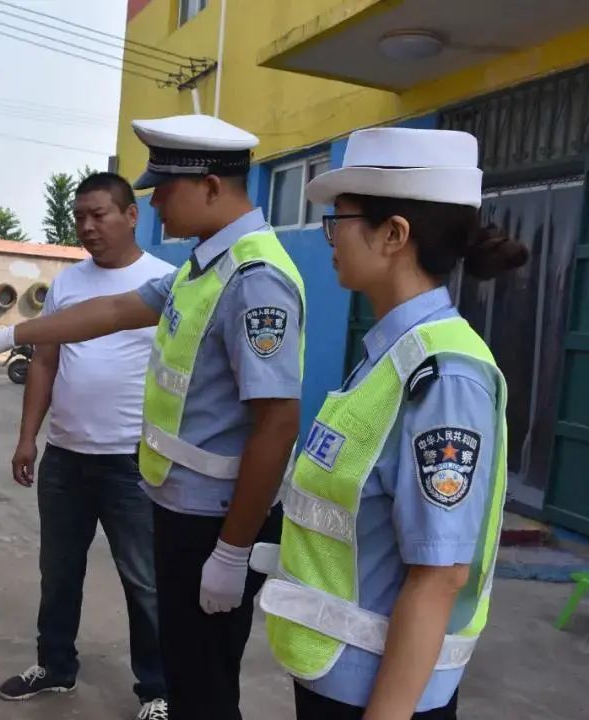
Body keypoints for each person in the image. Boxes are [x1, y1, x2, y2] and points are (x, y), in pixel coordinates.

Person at [0, 114, 305, 720]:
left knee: (204, 687)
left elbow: (276, 424)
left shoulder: (256, 278)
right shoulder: (203, 268)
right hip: (177, 503)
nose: (158, 207)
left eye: (164, 191)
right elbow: (112, 311)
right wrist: (2, 335)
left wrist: (232, 549)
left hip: (216, 520)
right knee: (188, 666)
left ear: (211, 187)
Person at [256, 127, 528, 720]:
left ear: (393, 235)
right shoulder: (391, 352)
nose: (330, 238)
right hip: (337, 671)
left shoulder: (444, 374)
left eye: (340, 221)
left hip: (378, 694)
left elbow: (440, 577)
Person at [0, 172, 174, 720]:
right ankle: (55, 667)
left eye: (99, 214)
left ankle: (158, 689)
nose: (88, 227)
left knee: (145, 580)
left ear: (130, 215)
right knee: (60, 570)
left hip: (133, 462)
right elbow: (45, 359)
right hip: (67, 458)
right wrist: (29, 437)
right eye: (79, 217)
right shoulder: (67, 284)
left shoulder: (165, 283)